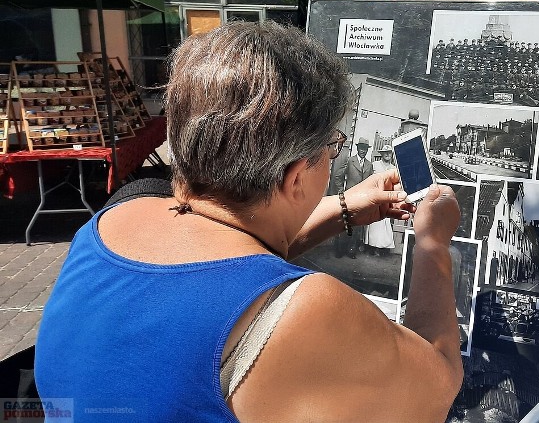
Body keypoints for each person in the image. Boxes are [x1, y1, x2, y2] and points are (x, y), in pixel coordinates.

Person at [34, 21, 463, 422]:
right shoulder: (307, 309)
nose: (335, 157)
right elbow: (437, 388)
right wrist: (432, 243)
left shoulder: (115, 217)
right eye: (333, 146)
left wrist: (345, 206)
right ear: (296, 176)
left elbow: (221, 268)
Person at [333, 137, 374, 258]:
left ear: (367, 150)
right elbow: (337, 176)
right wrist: (341, 191)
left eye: (365, 148)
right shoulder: (350, 161)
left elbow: (371, 182)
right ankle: (339, 250)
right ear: (357, 148)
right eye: (361, 148)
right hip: (349, 198)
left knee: (357, 226)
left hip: (362, 199)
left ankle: (352, 250)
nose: (363, 150)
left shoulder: (369, 165)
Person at [364, 145, 397, 256]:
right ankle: (371, 246)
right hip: (375, 195)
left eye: (389, 153)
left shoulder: (393, 168)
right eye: (385, 153)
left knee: (384, 222)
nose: (387, 155)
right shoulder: (375, 165)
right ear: (381, 154)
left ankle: (382, 247)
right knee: (373, 221)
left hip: (386, 197)